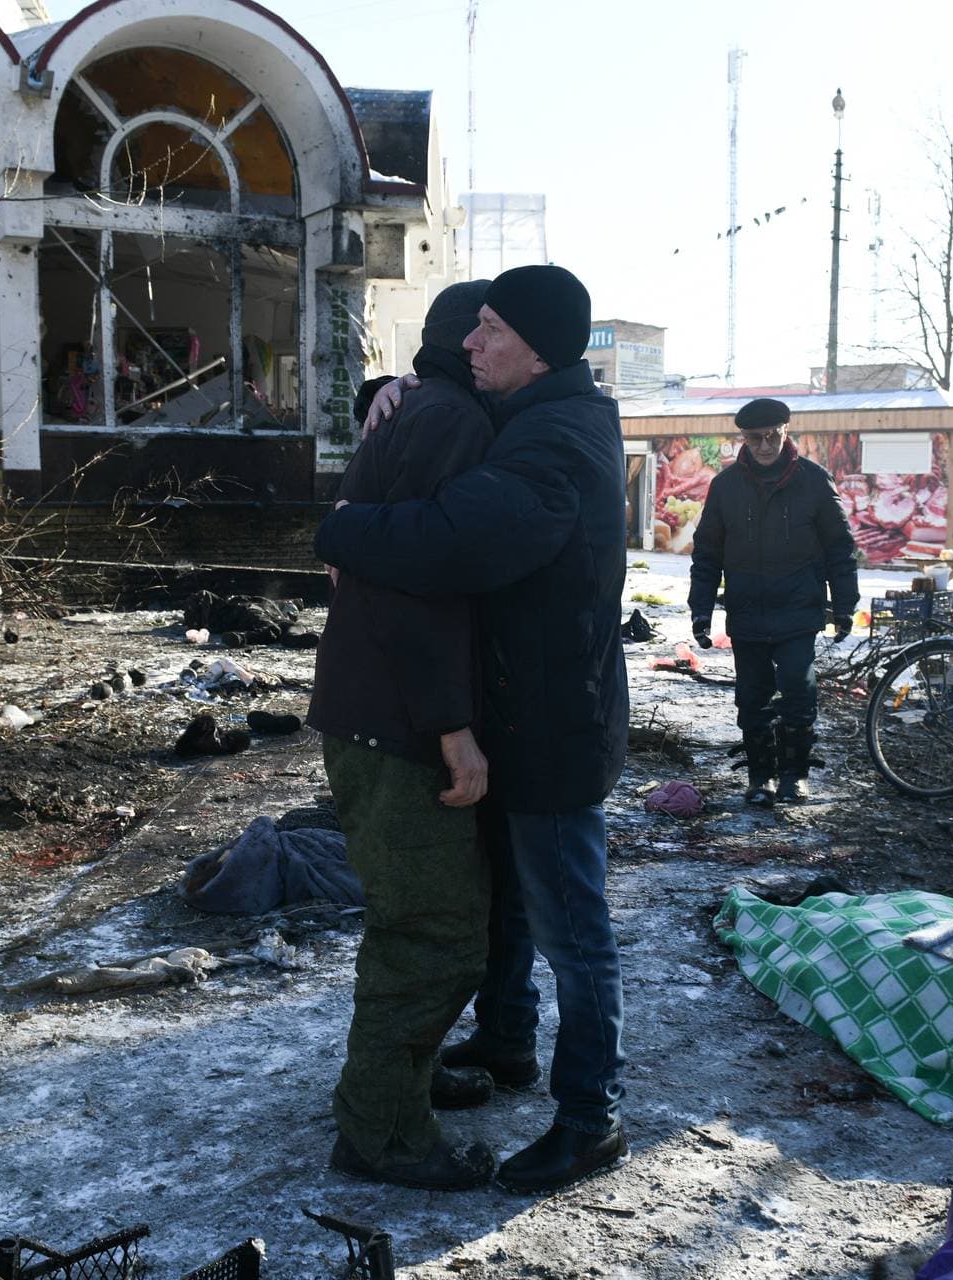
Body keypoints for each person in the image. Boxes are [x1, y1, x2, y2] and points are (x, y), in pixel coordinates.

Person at [316, 264, 630, 1195]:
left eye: (489, 330)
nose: (469, 344)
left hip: (552, 733)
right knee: (509, 908)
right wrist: (392, 392)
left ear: (538, 351)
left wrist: (341, 529)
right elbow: (441, 416)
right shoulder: (531, 415)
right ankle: (504, 1046)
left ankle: (590, 1117)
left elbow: (451, 537)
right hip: (521, 720)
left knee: (573, 933)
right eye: (473, 329)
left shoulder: (554, 448)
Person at [306, 281, 500, 1191]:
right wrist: (451, 730)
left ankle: (400, 1083)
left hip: (369, 709)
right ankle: (382, 1131)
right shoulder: (450, 421)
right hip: (394, 722)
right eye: (498, 329)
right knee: (432, 933)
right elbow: (414, 591)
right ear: (472, 344)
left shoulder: (414, 409)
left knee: (421, 923)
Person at [688, 398, 859, 806]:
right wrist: (701, 608)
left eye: (772, 436)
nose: (765, 446)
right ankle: (760, 777)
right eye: (754, 438)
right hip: (748, 611)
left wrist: (846, 604)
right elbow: (707, 552)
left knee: (799, 691)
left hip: (799, 609)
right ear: (742, 438)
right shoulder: (725, 487)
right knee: (752, 697)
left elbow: (840, 547)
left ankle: (795, 776)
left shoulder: (814, 481)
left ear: (786, 431)